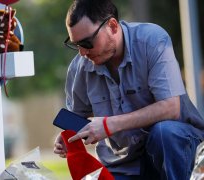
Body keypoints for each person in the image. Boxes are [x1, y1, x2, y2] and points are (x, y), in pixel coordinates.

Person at [53, 0, 204, 179]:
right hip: (122, 165)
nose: (82, 53)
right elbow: (77, 120)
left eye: (86, 43)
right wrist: (67, 138)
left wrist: (109, 125)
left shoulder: (152, 40)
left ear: (113, 26)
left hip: (176, 151)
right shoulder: (79, 68)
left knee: (165, 133)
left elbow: (171, 107)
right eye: (76, 45)